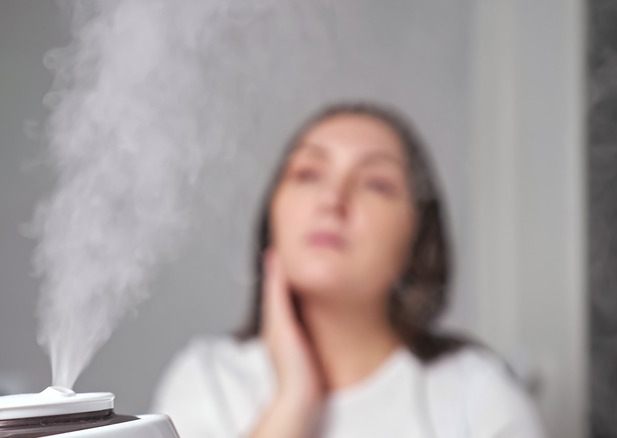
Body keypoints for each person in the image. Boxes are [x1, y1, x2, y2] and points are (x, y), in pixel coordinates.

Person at [151, 102, 544, 437]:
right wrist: (292, 402)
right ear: (274, 219)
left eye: (376, 183)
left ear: (419, 237)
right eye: (307, 174)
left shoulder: (477, 395)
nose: (332, 199)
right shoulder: (209, 380)